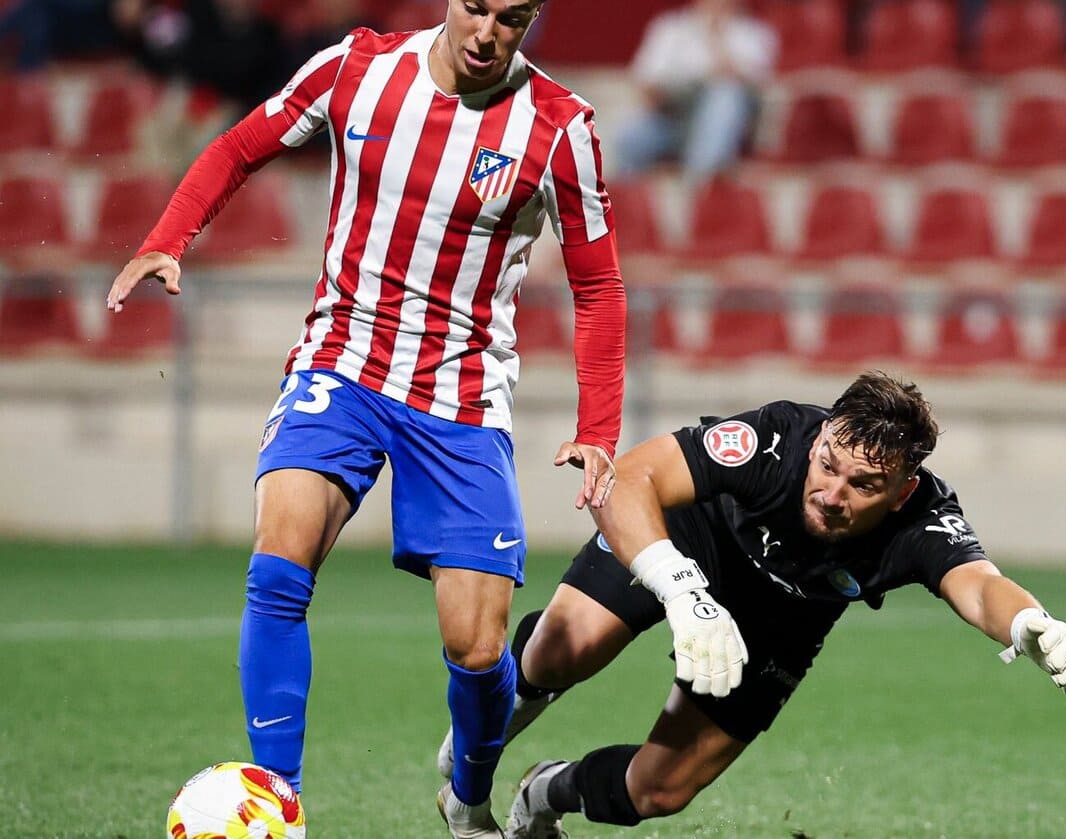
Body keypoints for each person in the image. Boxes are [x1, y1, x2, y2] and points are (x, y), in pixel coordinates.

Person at [106, 2, 627, 836]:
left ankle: (470, 794)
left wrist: (599, 425)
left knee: (479, 648)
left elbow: (599, 285)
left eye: (514, 16)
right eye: (477, 7)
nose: (490, 32)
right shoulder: (357, 69)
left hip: (460, 396)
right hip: (341, 365)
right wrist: (172, 233)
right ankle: (277, 800)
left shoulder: (562, 128)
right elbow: (244, 144)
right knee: (280, 554)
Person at [437, 370, 1066, 836]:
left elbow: (976, 581)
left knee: (659, 791)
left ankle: (544, 790)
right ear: (822, 435)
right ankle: (479, 734)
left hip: (782, 620)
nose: (833, 491)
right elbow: (628, 477)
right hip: (696, 539)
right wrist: (679, 585)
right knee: (560, 650)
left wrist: (1029, 619)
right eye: (828, 463)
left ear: (902, 489)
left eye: (863, 484)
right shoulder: (777, 438)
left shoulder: (921, 518)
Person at [614, 0, 778, 184]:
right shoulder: (670, 27)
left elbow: (754, 86)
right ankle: (628, 204)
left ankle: (698, 187)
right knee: (632, 136)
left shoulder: (754, 33)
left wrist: (715, 38)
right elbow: (645, 80)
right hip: (673, 116)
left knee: (725, 96)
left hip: (728, 124)